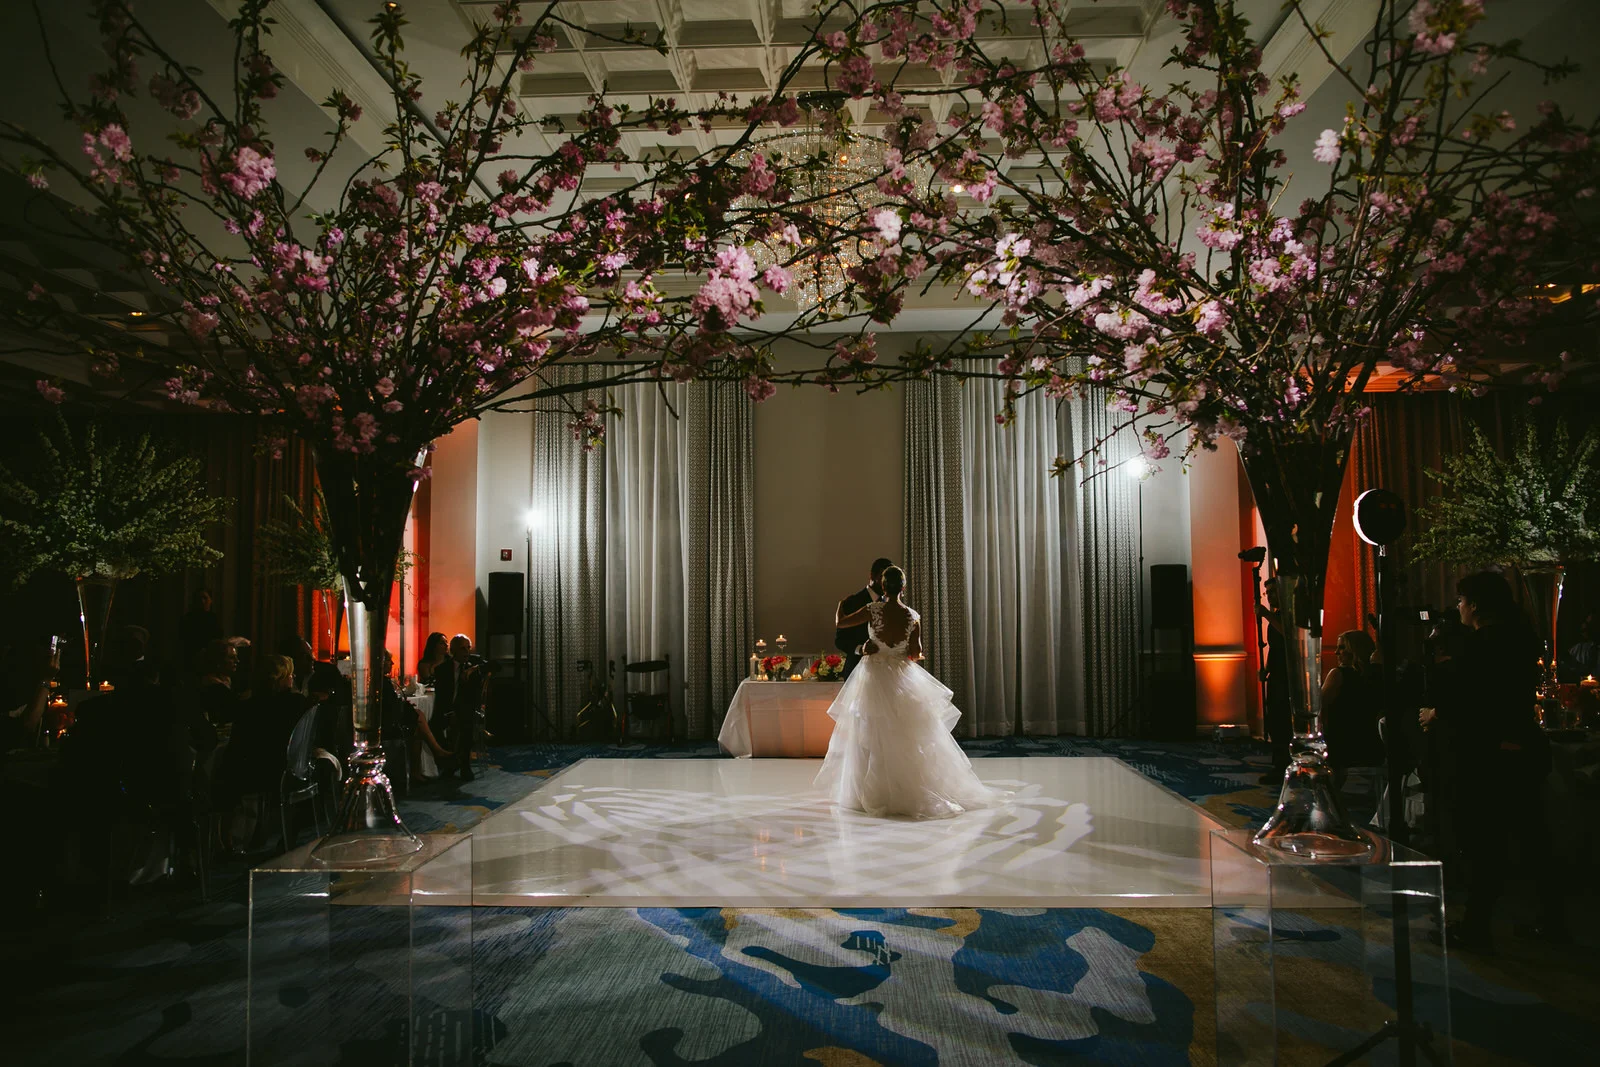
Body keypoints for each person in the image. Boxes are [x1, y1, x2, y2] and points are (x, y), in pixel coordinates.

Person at [1427, 571, 1557, 952]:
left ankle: (1477, 926)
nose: (1459, 608)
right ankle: (1552, 919)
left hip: (1492, 755)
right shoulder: (1520, 637)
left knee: (1487, 842)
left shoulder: (1482, 645)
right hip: (1524, 746)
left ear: (1476, 605)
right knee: (1532, 838)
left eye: (1462, 601)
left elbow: (1468, 699)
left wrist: (1436, 712)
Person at [816, 566, 1006, 818]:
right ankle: (906, 786)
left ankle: (871, 791)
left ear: (883, 588)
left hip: (874, 676)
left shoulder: (873, 610)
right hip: (902, 677)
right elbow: (915, 653)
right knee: (905, 733)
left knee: (870, 732)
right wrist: (897, 651)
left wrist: (841, 604)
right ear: (903, 588)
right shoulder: (912, 617)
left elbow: (842, 623)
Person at [1320, 629, 1384, 787]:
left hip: (1342, 744)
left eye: (1341, 648)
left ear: (1355, 650)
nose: (1336, 652)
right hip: (1372, 744)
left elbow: (1319, 707)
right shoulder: (1378, 675)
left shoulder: (1338, 675)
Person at [434, 634, 486, 782]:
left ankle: (463, 764)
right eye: (462, 648)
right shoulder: (443, 669)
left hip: (467, 710)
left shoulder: (474, 664)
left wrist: (473, 669)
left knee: (465, 721)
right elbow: (442, 696)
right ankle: (448, 762)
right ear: (454, 650)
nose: (466, 652)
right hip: (448, 708)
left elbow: (495, 666)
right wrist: (449, 711)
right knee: (436, 723)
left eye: (468, 648)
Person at [1257, 582, 1292, 784]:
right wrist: (1267, 670)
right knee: (1275, 721)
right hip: (1276, 675)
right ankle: (1278, 764)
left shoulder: (1288, 616)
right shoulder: (1275, 618)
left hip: (1288, 676)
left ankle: (1284, 766)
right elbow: (1274, 649)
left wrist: (1267, 615)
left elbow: (1289, 636)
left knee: (1283, 721)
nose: (1269, 596)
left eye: (1273, 592)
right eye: (1267, 592)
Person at [835, 558, 893, 679]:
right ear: (872, 575)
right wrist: (860, 649)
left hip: (886, 672)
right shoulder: (852, 602)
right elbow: (840, 640)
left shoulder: (892, 605)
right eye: (883, 577)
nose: (886, 582)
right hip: (857, 671)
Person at [179, 589, 224, 672]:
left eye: (205, 598)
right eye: (199, 599)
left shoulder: (214, 619)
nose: (202, 601)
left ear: (211, 600)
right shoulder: (188, 619)